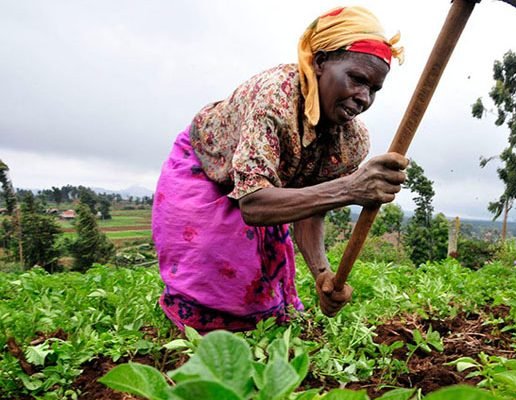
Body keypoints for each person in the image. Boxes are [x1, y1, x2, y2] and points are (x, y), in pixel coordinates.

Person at [152, 6, 408, 333]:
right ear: (319, 62)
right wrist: (350, 189)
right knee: (212, 266)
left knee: (260, 298)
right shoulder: (275, 98)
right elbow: (254, 204)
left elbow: (311, 208)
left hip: (267, 185)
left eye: (374, 89)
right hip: (207, 167)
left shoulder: (351, 141)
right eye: (356, 79)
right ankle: (193, 340)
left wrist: (322, 275)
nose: (364, 98)